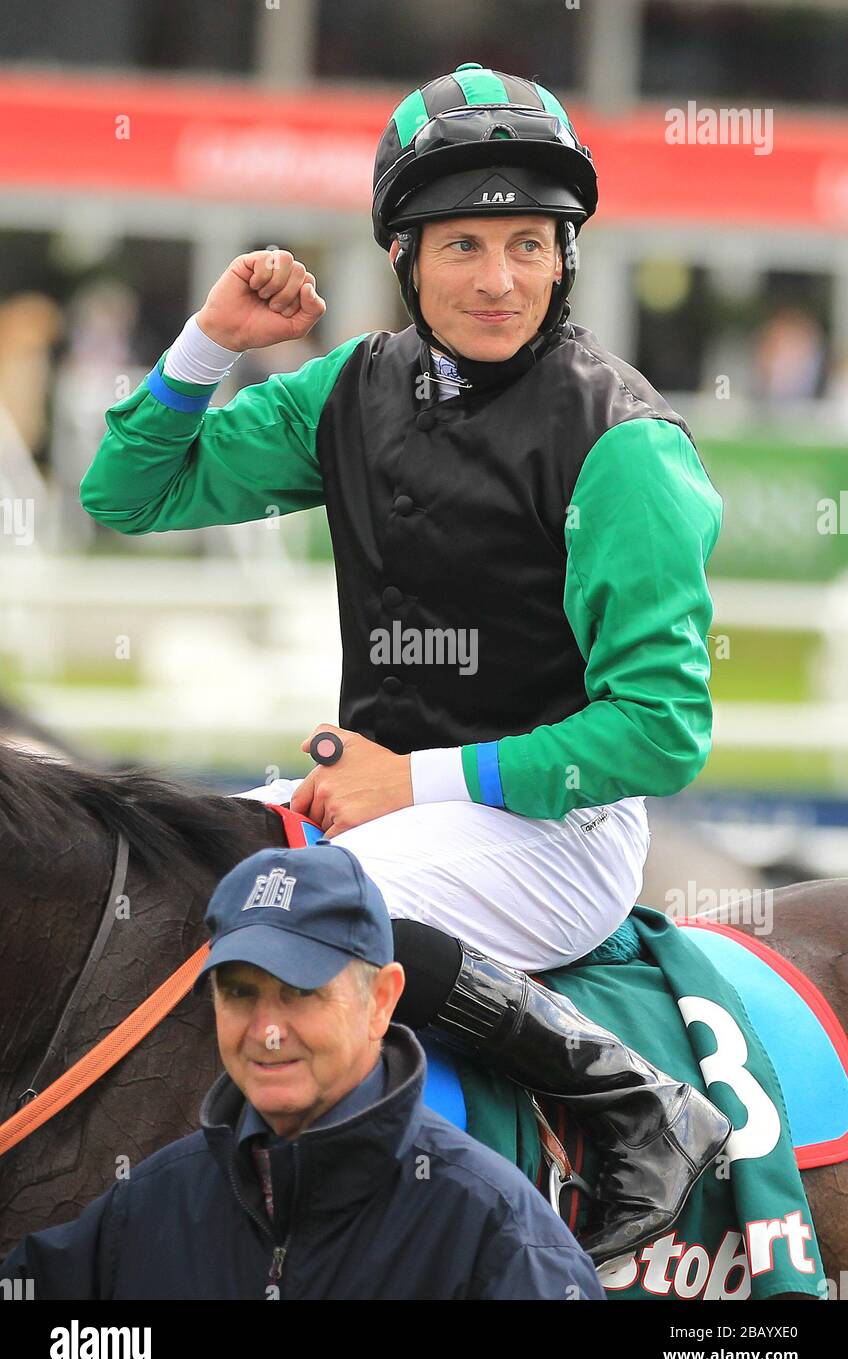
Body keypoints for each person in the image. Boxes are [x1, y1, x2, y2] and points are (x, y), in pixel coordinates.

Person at [78, 61, 731, 1268]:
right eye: (464, 245)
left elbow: (658, 733)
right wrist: (212, 339)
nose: (499, 279)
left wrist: (413, 784)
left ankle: (630, 1102)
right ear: (402, 257)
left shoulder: (624, 446)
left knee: (329, 919)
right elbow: (129, 488)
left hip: (559, 831)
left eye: (530, 245)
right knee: (182, 887)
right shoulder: (350, 391)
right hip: (374, 798)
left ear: (565, 256)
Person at [0, 843, 604, 1301]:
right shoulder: (150, 1205)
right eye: (239, 993)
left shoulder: (497, 1235)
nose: (265, 1029)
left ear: (382, 999)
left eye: (300, 991)